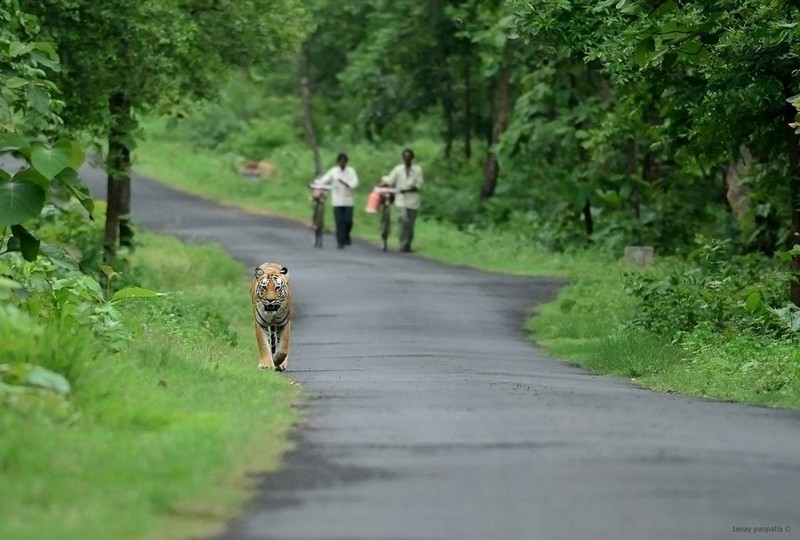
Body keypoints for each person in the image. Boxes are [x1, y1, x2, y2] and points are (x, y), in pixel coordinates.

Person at [382, 148, 423, 252]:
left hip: (413, 201)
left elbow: (418, 186)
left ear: (412, 158)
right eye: (405, 157)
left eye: (409, 157)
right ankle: (402, 243)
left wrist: (407, 190)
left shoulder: (417, 170)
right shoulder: (398, 169)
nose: (407, 159)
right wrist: (383, 185)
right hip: (401, 200)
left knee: (410, 224)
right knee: (403, 220)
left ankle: (407, 244)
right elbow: (390, 180)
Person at [317, 153, 359, 248]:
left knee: (348, 221)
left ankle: (346, 235)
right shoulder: (334, 171)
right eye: (340, 161)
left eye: (344, 161)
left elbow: (355, 183)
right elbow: (325, 179)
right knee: (339, 221)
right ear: (338, 162)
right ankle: (340, 242)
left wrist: (347, 184)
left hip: (348, 200)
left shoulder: (351, 171)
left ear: (346, 162)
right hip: (337, 200)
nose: (342, 163)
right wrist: (317, 184)